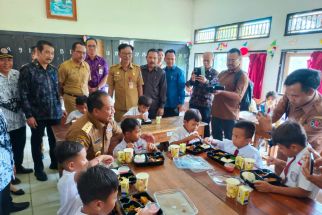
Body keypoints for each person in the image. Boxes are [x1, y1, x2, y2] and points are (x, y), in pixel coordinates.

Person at [257, 69, 322, 174]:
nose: (290, 98)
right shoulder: (290, 94)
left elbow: (298, 140)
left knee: (295, 181)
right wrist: (267, 118)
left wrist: (270, 129)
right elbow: (277, 112)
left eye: (295, 96)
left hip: (303, 152)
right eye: (287, 94)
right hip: (284, 145)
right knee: (280, 175)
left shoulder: (319, 112)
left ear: (310, 91)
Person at [19, 40, 65, 181]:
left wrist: (60, 108)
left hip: (54, 113)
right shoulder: (27, 70)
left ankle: (54, 162)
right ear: (38, 52)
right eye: (46, 52)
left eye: (52, 53)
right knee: (37, 142)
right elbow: (23, 94)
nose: (50, 55)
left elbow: (56, 92)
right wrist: (29, 115)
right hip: (37, 115)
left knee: (54, 141)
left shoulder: (53, 69)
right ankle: (38, 169)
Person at [254, 121, 319, 199]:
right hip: (285, 190)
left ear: (293, 147)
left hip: (299, 202)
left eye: (281, 148)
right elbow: (296, 169)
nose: (280, 150)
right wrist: (279, 162)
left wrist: (271, 188)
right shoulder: (298, 149)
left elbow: (304, 192)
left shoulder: (307, 160)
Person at [55, 141, 113, 215]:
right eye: (84, 159)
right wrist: (101, 157)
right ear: (71, 165)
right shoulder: (66, 180)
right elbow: (87, 167)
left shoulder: (74, 174)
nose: (87, 161)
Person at [0, 47, 32, 174]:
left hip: (19, 119)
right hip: (4, 124)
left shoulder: (17, 74)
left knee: (19, 146)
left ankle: (18, 166)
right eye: (2, 60)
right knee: (6, 149)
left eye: (9, 59)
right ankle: (9, 173)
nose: (6, 63)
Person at [65, 91, 123, 160]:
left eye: (113, 107)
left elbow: (119, 135)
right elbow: (76, 164)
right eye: (109, 108)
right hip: (87, 168)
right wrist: (100, 159)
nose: (114, 111)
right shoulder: (81, 131)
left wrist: (110, 153)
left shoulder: (108, 120)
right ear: (96, 111)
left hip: (103, 164)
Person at [211, 48, 249, 140]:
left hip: (229, 116)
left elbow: (238, 96)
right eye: (228, 60)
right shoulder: (222, 73)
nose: (229, 62)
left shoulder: (242, 76)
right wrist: (208, 85)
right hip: (216, 113)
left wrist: (222, 92)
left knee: (230, 143)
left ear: (239, 60)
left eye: (232, 60)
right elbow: (213, 84)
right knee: (216, 141)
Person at [0, 109, 30, 215]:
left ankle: (8, 205)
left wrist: (10, 161)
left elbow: (4, 137)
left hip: (4, 156)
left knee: (4, 187)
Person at [107, 44, 144, 122]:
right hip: (119, 108)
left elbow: (139, 87)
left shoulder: (137, 69)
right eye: (124, 53)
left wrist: (141, 104)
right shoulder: (113, 69)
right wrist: (109, 105)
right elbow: (110, 89)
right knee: (120, 130)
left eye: (129, 54)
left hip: (134, 108)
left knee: (135, 129)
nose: (127, 56)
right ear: (119, 54)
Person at [186, 52, 219, 137]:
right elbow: (188, 84)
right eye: (204, 60)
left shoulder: (215, 73)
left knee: (205, 126)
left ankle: (205, 144)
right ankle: (189, 141)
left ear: (212, 60)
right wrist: (192, 80)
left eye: (208, 60)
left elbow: (215, 90)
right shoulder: (197, 70)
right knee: (190, 124)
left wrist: (206, 82)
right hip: (194, 102)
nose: (205, 62)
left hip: (205, 104)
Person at [59, 42, 91, 114]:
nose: (82, 55)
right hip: (72, 100)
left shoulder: (87, 65)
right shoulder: (64, 66)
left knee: (85, 122)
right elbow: (60, 85)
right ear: (72, 52)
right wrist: (63, 97)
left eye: (84, 53)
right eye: (79, 52)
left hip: (85, 100)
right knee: (73, 121)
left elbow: (86, 83)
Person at [141, 49, 167, 119]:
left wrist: (161, 107)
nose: (152, 60)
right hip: (141, 107)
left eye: (154, 58)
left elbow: (163, 91)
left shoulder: (161, 73)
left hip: (154, 107)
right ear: (146, 58)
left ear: (158, 59)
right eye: (150, 57)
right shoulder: (140, 70)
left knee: (153, 127)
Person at [163, 49, 186, 117]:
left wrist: (181, 103)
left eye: (172, 59)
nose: (170, 61)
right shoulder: (162, 71)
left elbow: (182, 89)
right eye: (168, 59)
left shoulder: (179, 72)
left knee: (173, 125)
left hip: (175, 104)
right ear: (165, 59)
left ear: (175, 59)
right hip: (163, 104)